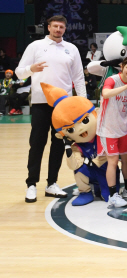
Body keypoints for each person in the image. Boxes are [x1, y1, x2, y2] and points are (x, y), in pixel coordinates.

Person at [16, 15, 86, 203]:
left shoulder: (71, 49)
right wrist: (31, 68)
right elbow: (19, 71)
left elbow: (79, 77)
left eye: (61, 27)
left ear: (65, 29)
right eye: (55, 26)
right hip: (40, 102)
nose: (58, 29)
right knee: (37, 144)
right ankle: (31, 184)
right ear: (48, 27)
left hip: (63, 105)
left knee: (58, 146)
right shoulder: (36, 46)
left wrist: (83, 103)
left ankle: (51, 184)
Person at [96, 57, 127, 208]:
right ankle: (113, 195)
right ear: (122, 66)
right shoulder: (112, 80)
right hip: (108, 129)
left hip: (124, 127)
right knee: (113, 162)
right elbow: (106, 93)